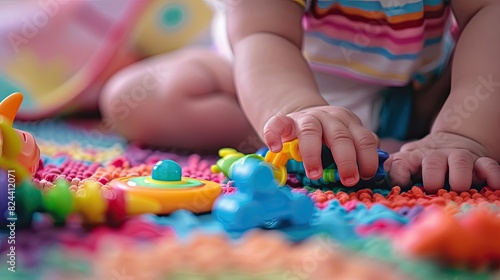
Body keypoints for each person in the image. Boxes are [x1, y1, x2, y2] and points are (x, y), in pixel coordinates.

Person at [99, 0, 500, 192]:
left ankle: (392, 142)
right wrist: (297, 112)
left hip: (408, 94)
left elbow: (487, 15)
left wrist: (462, 132)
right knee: (132, 98)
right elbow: (263, 36)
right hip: (257, 82)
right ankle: (298, 143)